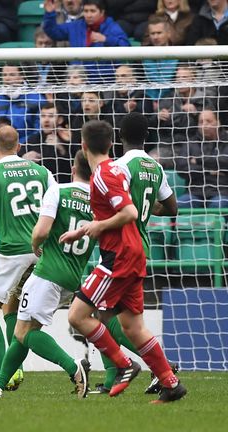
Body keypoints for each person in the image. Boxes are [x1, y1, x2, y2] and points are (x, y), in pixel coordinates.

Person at [61, 120, 186, 403]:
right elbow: (159, 207)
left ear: (83, 145)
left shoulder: (109, 172)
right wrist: (82, 230)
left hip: (120, 255)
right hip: (134, 250)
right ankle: (171, 383)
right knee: (130, 325)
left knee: (77, 316)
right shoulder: (140, 168)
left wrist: (97, 228)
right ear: (109, 143)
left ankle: (124, 365)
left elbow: (128, 211)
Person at [0, 151, 94, 399]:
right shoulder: (93, 198)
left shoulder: (57, 190)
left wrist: (34, 243)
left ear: (73, 168)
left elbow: (39, 229)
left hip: (34, 263)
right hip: (67, 268)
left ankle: (72, 367)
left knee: (14, 327)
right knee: (18, 321)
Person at [92, 112, 179, 394]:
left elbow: (120, 206)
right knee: (125, 320)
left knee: (95, 315)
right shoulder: (155, 167)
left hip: (121, 246)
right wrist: (150, 207)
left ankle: (125, 369)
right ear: (147, 136)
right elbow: (172, 208)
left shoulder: (119, 167)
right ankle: (161, 373)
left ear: (119, 136)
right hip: (142, 245)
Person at [0, 125, 57, 390]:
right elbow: (56, 209)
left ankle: (3, 373)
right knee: (13, 308)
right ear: (19, 147)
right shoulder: (44, 173)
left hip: (10, 252)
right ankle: (16, 368)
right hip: (40, 250)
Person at [42, 0, 130, 83]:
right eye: (86, 11)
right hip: (78, 81)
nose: (89, 15)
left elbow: (126, 47)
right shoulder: (76, 26)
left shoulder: (112, 27)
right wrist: (50, 14)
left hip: (105, 81)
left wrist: (106, 40)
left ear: (102, 12)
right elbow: (54, 32)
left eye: (92, 11)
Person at [175, 109, 228, 208]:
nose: (205, 125)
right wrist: (209, 171)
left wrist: (199, 160)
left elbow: (225, 162)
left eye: (209, 121)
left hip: (222, 192)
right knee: (177, 205)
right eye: (201, 122)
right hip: (195, 192)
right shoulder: (190, 143)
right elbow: (182, 168)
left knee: (218, 205)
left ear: (218, 122)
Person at [0, 65, 45, 146]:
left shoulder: (36, 99)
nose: (7, 78)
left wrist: (17, 145)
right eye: (4, 75)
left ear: (22, 77)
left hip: (27, 146)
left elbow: (39, 130)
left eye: (12, 75)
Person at [22, 103, 76, 184]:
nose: (46, 120)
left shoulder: (69, 139)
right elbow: (17, 160)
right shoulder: (32, 140)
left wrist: (61, 148)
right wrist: (24, 159)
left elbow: (76, 167)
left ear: (60, 120)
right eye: (43, 116)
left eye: (51, 116)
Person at [143, 15, 178, 100]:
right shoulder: (142, 56)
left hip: (173, 99)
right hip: (147, 100)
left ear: (168, 33)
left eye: (159, 33)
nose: (155, 37)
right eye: (152, 33)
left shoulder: (179, 55)